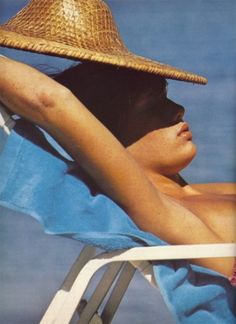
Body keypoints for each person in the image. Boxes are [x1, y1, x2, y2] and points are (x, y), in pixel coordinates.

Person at [0, 0, 235, 286]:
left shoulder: (200, 194)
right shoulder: (159, 209)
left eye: (167, 95)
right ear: (105, 137)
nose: (178, 108)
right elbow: (50, 101)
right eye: (153, 104)